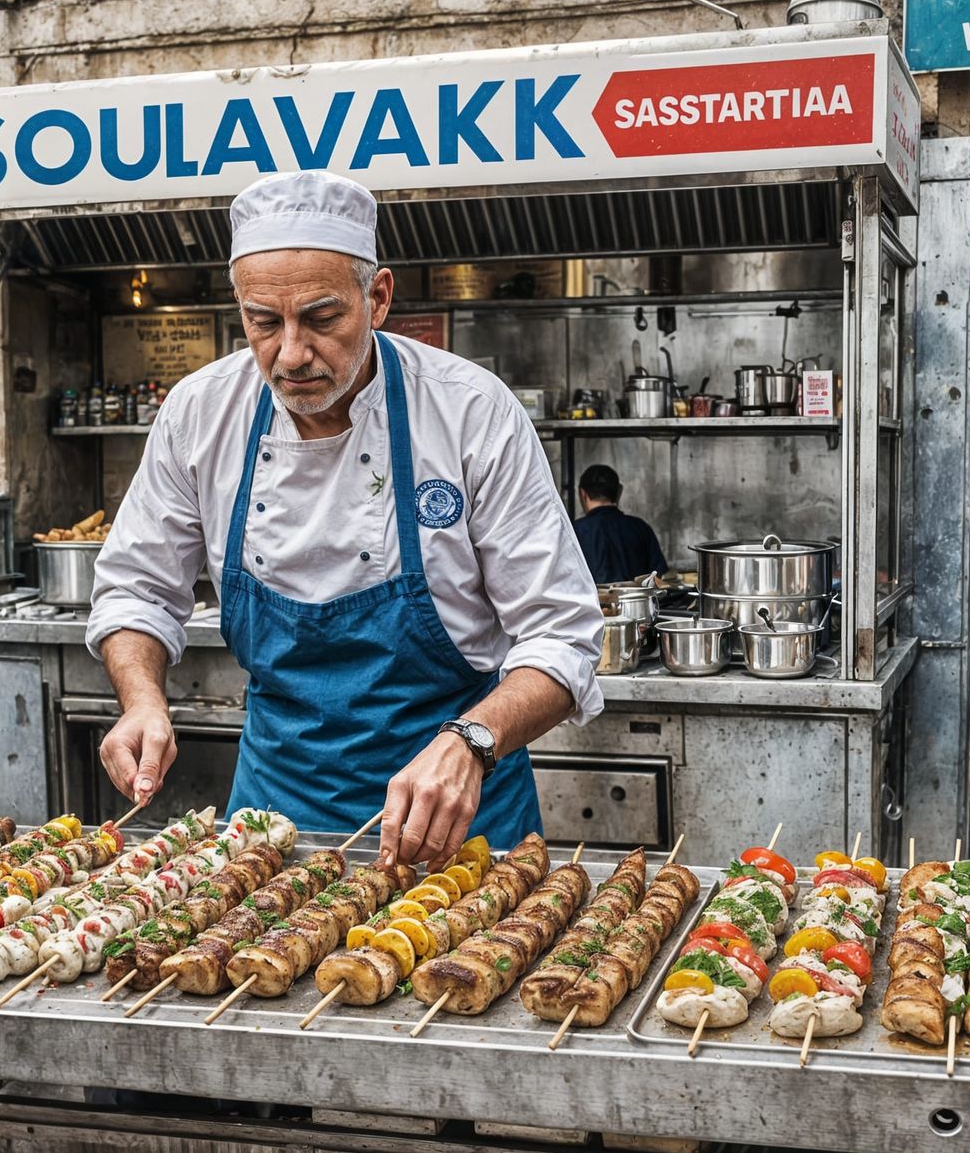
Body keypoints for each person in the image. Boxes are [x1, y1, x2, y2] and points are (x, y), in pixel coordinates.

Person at [87, 170, 603, 863]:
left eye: (322, 318)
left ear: (378, 297)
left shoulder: (469, 412)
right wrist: (142, 698)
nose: (291, 353)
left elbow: (562, 635)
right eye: (263, 323)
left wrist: (471, 742)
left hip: (457, 817)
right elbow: (137, 590)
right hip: (274, 817)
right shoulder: (199, 412)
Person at [571, 463, 667, 584]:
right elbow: (657, 578)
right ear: (619, 491)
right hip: (638, 602)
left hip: (590, 603)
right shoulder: (640, 528)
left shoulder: (573, 532)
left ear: (582, 494)